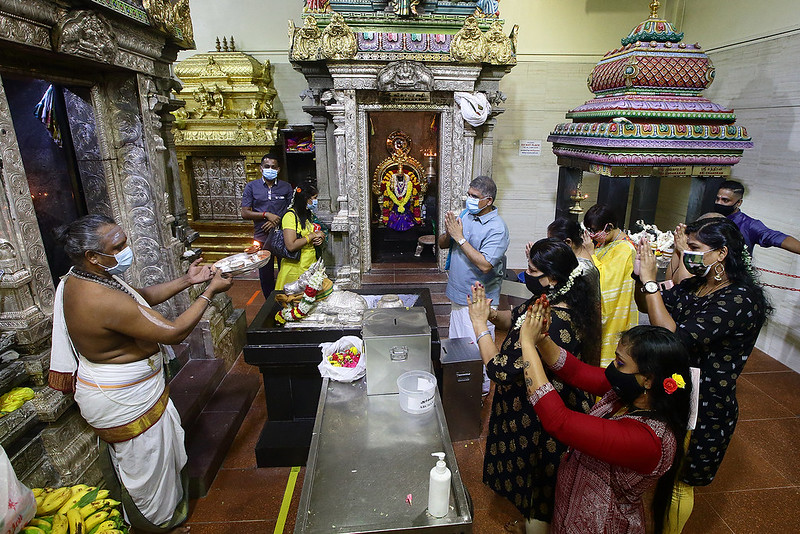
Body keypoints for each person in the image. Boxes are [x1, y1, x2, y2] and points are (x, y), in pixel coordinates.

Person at [48, 214, 233, 531]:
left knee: (155, 462)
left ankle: (163, 516)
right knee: (146, 467)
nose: (125, 249)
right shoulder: (98, 297)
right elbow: (173, 332)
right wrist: (209, 292)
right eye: (117, 246)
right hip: (123, 399)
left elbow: (140, 298)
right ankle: (154, 525)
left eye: (124, 241)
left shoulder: (90, 277)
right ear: (92, 256)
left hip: (131, 391)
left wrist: (188, 280)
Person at [634, 217, 771, 532]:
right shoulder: (696, 284)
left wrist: (653, 280)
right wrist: (643, 276)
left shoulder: (739, 298)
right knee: (664, 470)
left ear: (721, 253)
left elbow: (675, 339)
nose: (688, 254)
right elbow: (648, 305)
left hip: (704, 402)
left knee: (680, 481)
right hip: (675, 389)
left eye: (694, 248)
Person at [518, 299, 691, 534]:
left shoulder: (647, 440)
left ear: (648, 379)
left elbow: (559, 422)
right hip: (574, 513)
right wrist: (541, 338)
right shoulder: (629, 395)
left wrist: (526, 343)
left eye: (620, 363)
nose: (612, 367)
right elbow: (575, 371)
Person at [467, 239, 601, 533]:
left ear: (551, 277)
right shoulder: (549, 301)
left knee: (539, 489)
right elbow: (513, 320)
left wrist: (478, 326)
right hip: (528, 409)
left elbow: (500, 370)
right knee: (531, 485)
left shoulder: (554, 323)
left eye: (530, 269)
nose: (524, 274)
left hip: (542, 418)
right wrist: (487, 313)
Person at [438, 175, 509, 395]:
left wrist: (460, 238)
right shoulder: (466, 214)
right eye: (468, 194)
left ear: (488, 200)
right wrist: (449, 232)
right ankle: (461, 388)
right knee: (459, 346)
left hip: (480, 300)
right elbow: (442, 245)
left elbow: (486, 265)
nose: (469, 199)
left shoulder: (497, 228)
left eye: (474, 196)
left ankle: (482, 394)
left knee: (479, 350)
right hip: (458, 294)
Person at [584, 204, 638, 368]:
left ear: (609, 227)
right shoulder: (605, 243)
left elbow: (606, 282)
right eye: (589, 230)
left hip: (614, 311)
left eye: (594, 230)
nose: (592, 235)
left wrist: (590, 253)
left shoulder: (624, 249)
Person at [241, 153, 293, 297]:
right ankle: (269, 305)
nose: (270, 169)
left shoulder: (286, 187)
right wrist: (266, 215)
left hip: (283, 237)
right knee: (265, 275)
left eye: (273, 167)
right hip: (262, 238)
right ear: (261, 168)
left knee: (286, 271)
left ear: (278, 169)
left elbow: (291, 210)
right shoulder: (252, 187)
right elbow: (245, 213)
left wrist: (276, 219)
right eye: (267, 166)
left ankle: (286, 300)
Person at [714, 179, 800, 256]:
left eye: (725, 200)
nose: (719, 203)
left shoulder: (749, 224)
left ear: (739, 203)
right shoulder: (710, 218)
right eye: (717, 199)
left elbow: (775, 237)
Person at [275, 181, 325, 291]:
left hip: (309, 264)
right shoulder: (290, 216)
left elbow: (313, 232)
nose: (316, 201)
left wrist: (319, 238)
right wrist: (311, 236)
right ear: (306, 198)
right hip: (295, 268)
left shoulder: (306, 215)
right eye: (314, 198)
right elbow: (291, 245)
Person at [547, 217, 601, 306]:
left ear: (568, 242)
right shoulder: (571, 257)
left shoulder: (584, 268)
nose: (551, 247)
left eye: (553, 243)